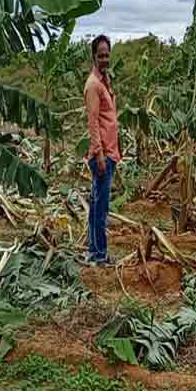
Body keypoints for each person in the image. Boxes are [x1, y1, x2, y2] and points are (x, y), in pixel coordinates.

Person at [84, 34, 120, 265]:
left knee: (97, 203)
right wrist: (98, 155)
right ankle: (99, 254)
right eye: (101, 55)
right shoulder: (93, 85)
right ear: (94, 57)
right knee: (101, 206)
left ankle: (94, 249)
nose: (105, 59)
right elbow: (93, 121)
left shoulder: (104, 81)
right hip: (102, 155)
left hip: (109, 151)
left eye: (107, 55)